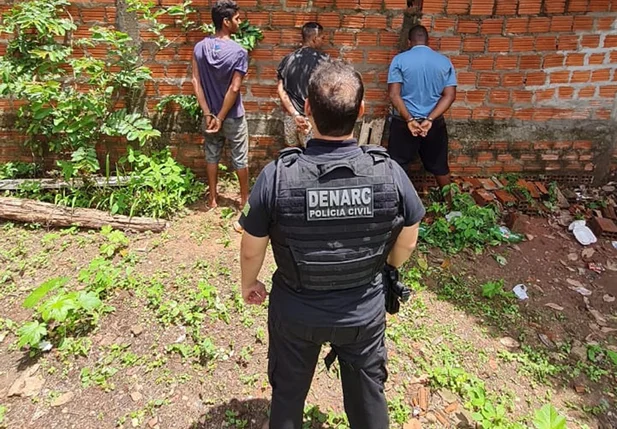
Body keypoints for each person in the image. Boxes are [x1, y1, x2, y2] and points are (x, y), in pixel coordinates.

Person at [239, 60, 425, 429]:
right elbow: (409, 234)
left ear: (307, 108)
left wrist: (249, 283)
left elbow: (251, 246)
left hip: (296, 313)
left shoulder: (277, 177)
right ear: (359, 112)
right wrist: (388, 266)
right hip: (362, 311)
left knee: (288, 396)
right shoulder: (388, 172)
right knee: (369, 397)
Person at [192, 0, 250, 210]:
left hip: (209, 115)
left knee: (211, 154)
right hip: (232, 115)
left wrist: (208, 113)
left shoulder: (199, 48)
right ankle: (244, 201)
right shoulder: (239, 52)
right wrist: (221, 117)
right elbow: (234, 88)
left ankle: (212, 199)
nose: (239, 22)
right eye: (237, 18)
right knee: (240, 157)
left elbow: (195, 81)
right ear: (226, 21)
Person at [387, 24, 457, 189]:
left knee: (397, 166)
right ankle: (450, 207)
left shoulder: (399, 60)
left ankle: (398, 208)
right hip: (433, 123)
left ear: (409, 42)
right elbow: (450, 96)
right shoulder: (444, 61)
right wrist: (430, 119)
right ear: (428, 41)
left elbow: (394, 95)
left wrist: (409, 119)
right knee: (440, 167)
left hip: (404, 122)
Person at [276, 22, 328, 147]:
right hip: (311, 119)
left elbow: (281, 90)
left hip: (291, 118)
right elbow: (324, 92)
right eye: (322, 38)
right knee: (311, 157)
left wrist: (295, 115)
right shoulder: (324, 61)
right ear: (315, 38)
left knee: (292, 156)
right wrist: (309, 119)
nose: (323, 41)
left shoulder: (287, 59)